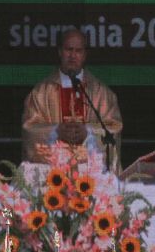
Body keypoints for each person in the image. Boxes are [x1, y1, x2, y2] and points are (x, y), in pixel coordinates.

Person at [22, 29, 123, 171]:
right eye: (68, 49)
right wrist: (55, 131)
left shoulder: (101, 93)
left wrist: (88, 133)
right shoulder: (40, 92)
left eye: (78, 51)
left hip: (90, 177)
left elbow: (114, 129)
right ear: (59, 52)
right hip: (53, 175)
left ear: (84, 55)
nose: (73, 56)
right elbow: (29, 130)